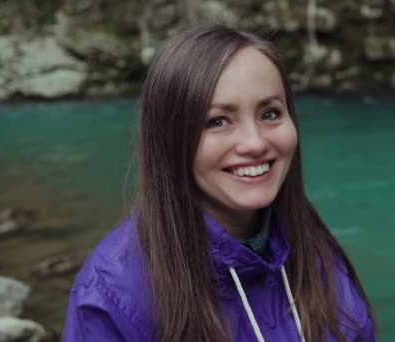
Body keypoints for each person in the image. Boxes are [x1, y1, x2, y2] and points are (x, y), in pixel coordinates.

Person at [64, 25, 377, 341]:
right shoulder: (112, 294)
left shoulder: (319, 255)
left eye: (269, 114)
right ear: (168, 140)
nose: (254, 143)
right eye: (218, 121)